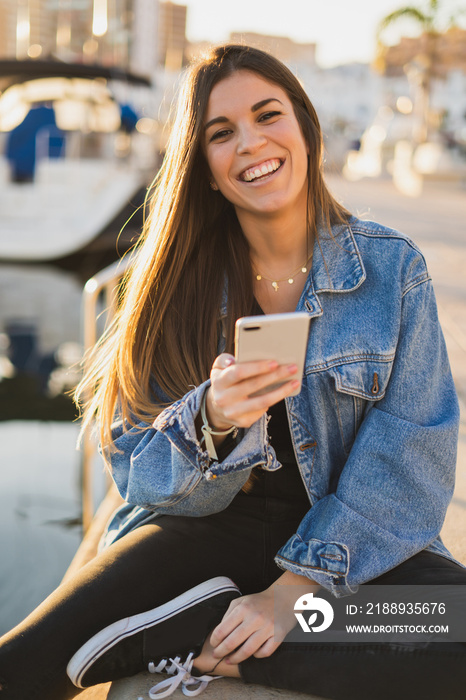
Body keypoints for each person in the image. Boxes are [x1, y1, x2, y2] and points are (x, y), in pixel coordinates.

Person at [0, 43, 465, 700]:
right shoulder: (170, 284)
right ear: (207, 170)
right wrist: (212, 422)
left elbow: (410, 463)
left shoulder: (391, 270)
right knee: (23, 664)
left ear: (306, 130)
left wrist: (289, 597)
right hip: (200, 539)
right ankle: (211, 621)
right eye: (222, 134)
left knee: (455, 625)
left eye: (268, 115)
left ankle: (216, 648)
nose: (250, 142)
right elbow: (134, 466)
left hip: (346, 552)